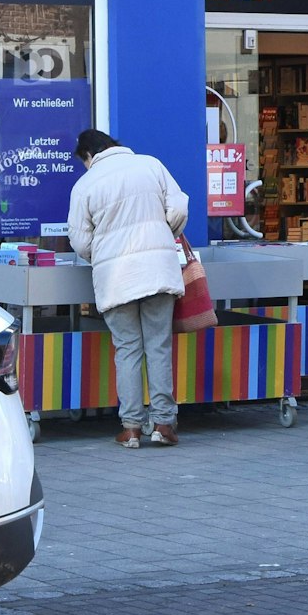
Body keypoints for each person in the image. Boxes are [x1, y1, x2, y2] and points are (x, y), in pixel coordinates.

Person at [67, 128, 188, 449]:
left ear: (88, 156)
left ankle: (132, 427)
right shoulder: (151, 165)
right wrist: (162, 232)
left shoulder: (85, 185)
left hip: (116, 278)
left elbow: (80, 241)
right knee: (159, 346)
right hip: (158, 272)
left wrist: (104, 250)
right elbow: (178, 209)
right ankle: (163, 423)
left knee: (128, 350)